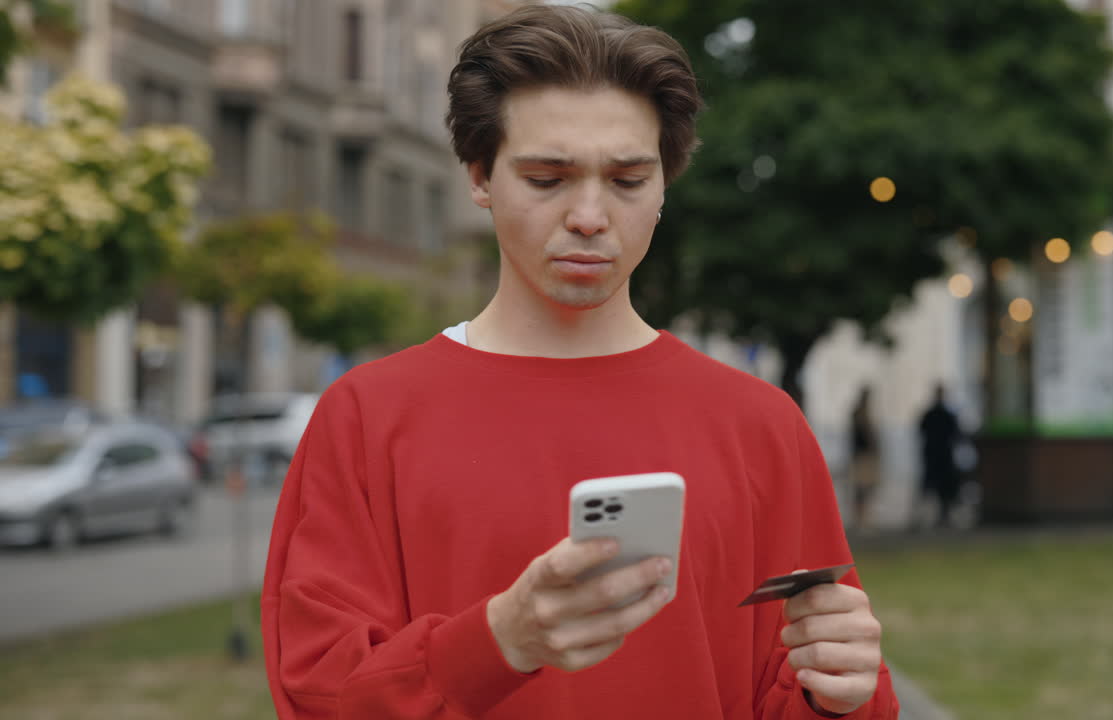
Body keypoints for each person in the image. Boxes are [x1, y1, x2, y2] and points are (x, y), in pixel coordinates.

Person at [260, 6, 898, 719]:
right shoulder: (368, 418)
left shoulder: (761, 426)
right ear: (480, 175)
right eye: (546, 178)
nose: (590, 215)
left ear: (664, 186)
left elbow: (804, 692)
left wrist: (841, 696)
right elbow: (320, 696)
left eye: (627, 180)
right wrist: (500, 641)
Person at [917, 383, 962, 528]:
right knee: (940, 487)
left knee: (936, 486)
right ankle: (937, 515)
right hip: (941, 455)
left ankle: (934, 515)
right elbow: (956, 434)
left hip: (935, 454)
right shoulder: (945, 414)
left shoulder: (932, 414)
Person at [848, 387, 880, 532]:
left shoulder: (861, 414)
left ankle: (862, 518)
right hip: (862, 456)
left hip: (863, 455)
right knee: (862, 489)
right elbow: (867, 437)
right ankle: (860, 519)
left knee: (864, 489)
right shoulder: (860, 415)